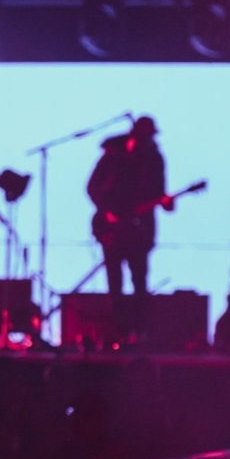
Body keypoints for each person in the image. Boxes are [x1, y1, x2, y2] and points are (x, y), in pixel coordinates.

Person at [86, 115, 174, 345]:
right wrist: (107, 210)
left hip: (139, 230)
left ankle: (140, 331)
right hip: (111, 229)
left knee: (139, 282)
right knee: (115, 283)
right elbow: (92, 186)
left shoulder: (154, 159)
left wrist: (165, 202)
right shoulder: (113, 154)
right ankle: (120, 333)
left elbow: (158, 192)